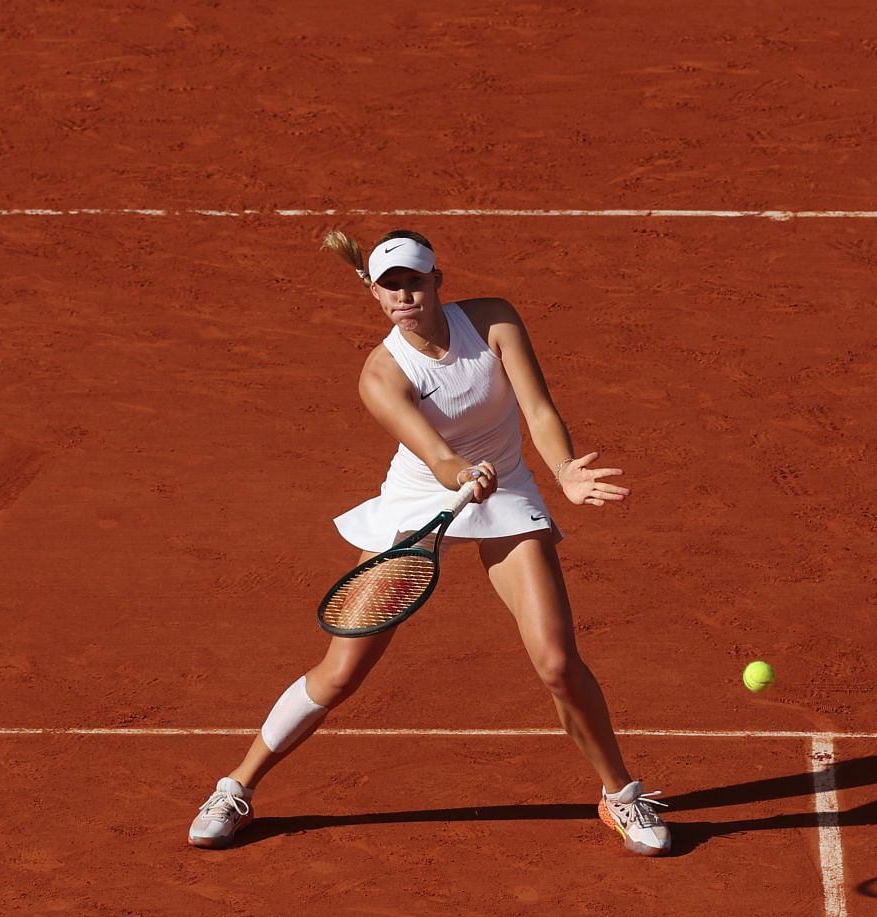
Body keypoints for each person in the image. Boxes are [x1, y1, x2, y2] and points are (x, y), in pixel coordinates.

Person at [188, 230, 670, 856]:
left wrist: (564, 471)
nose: (404, 295)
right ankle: (236, 787)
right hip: (422, 501)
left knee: (556, 662)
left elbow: (539, 410)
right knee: (340, 673)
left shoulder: (493, 320)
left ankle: (621, 796)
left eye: (415, 281)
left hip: (507, 491)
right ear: (374, 293)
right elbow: (438, 456)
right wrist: (460, 476)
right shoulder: (381, 374)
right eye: (390, 286)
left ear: (439, 280)